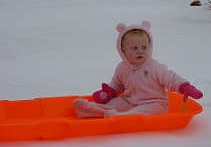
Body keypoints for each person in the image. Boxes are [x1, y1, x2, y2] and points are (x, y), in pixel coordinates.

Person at [72, 20, 203, 118]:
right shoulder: (122, 68)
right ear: (123, 50)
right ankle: (87, 109)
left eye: (144, 47)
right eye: (134, 48)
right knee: (114, 103)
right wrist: (110, 91)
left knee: (139, 112)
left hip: (155, 104)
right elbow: (118, 84)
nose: (140, 51)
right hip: (129, 101)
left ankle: (121, 118)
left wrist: (185, 87)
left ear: (149, 47)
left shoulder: (155, 67)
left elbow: (171, 78)